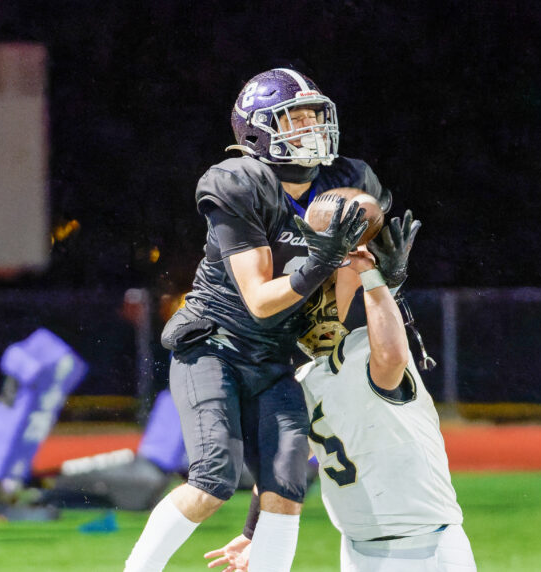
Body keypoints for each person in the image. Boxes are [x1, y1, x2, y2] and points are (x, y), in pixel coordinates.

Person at [124, 68, 391, 572]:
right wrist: (319, 261)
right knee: (212, 479)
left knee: (287, 485)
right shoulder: (239, 182)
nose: (310, 127)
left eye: (316, 116)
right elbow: (259, 299)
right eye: (295, 118)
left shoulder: (349, 182)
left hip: (275, 356)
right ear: (256, 130)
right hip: (215, 344)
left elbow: (346, 280)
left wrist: (361, 289)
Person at [205, 212, 477, 572]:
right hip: (357, 545)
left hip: (423, 543)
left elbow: (392, 355)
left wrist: (375, 277)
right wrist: (254, 532)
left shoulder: (366, 349)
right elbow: (281, 465)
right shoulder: (304, 378)